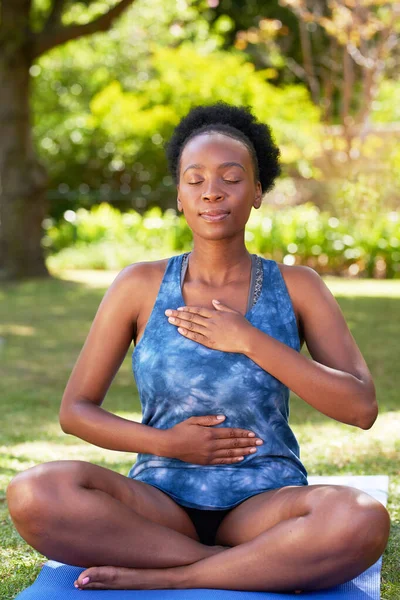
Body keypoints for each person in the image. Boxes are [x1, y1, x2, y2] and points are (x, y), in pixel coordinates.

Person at [7, 102, 390, 593]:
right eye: (196, 179)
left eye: (231, 177)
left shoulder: (299, 287)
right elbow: (75, 412)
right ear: (180, 195)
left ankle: (175, 574)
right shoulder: (139, 285)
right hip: (158, 504)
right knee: (34, 492)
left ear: (256, 192)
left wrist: (250, 340)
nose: (212, 191)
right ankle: (246, 565)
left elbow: (361, 408)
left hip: (263, 503)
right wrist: (168, 444)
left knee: (360, 517)